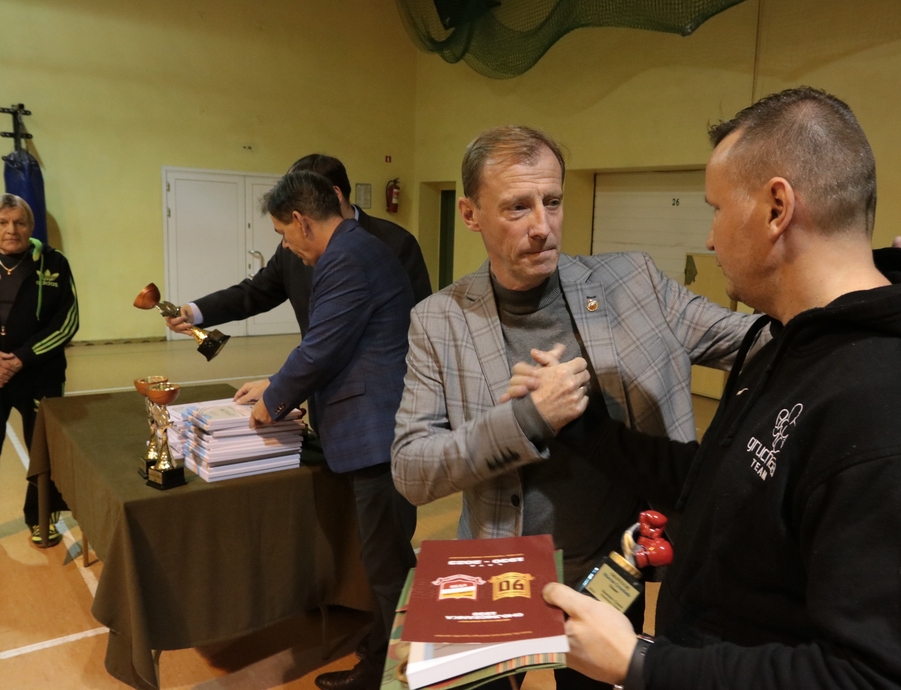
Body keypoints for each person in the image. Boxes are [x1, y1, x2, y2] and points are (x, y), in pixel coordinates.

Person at [524, 87, 901, 690]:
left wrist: (641, 664)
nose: (710, 239)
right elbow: (718, 480)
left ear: (777, 208)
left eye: (715, 209)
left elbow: (885, 678)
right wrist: (584, 427)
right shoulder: (797, 343)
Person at [390, 125, 759, 690]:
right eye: (517, 206)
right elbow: (412, 470)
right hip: (500, 568)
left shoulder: (633, 281)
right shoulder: (439, 320)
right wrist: (528, 419)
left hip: (610, 570)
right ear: (470, 215)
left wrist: (868, 288)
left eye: (553, 201)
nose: (543, 225)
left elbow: (754, 341)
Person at [250, 171, 416, 690]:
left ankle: (394, 675)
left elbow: (321, 349)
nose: (285, 245)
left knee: (388, 568)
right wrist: (279, 385)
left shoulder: (345, 257)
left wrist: (272, 402)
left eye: (282, 232)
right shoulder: (355, 248)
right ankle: (383, 661)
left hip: (377, 435)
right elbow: (337, 345)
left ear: (301, 221)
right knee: (384, 564)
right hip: (373, 431)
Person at [165, 153, 432, 403]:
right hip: (321, 392)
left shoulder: (394, 242)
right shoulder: (293, 246)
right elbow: (256, 292)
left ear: (333, 194)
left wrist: (275, 392)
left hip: (378, 396)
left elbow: (419, 325)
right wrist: (194, 312)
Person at [0, 194, 78, 546]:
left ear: (31, 227)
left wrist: (20, 358)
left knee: (43, 451)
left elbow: (68, 321)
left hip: (40, 375)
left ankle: (41, 517)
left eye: (19, 222)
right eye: (3, 223)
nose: (11, 230)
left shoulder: (54, 262)